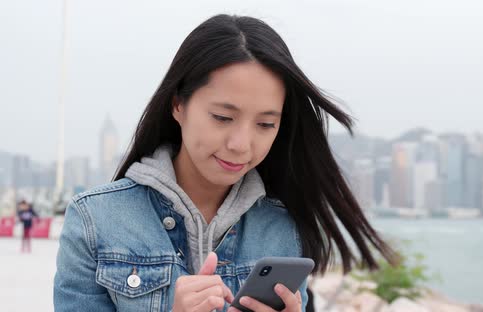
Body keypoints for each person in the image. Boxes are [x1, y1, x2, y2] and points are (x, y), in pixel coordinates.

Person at [54, 14, 397, 312]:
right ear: (178, 105)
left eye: (265, 124)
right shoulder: (96, 220)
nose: (240, 145)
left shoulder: (282, 228)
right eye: (222, 117)